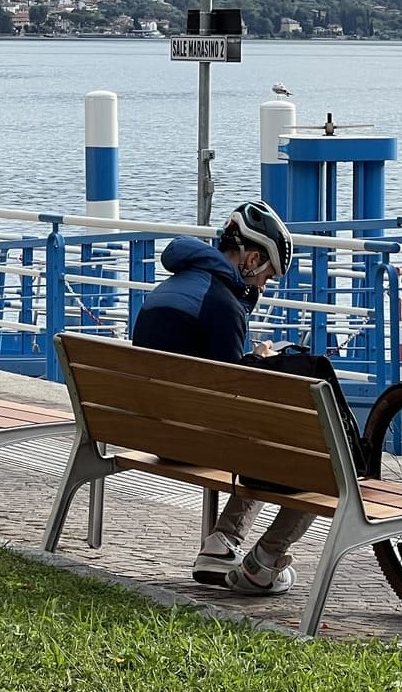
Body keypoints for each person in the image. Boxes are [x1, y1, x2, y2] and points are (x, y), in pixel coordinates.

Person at [130, 199, 314, 596]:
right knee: (319, 465)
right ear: (250, 258)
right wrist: (263, 362)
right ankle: (265, 561)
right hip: (193, 442)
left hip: (149, 432)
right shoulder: (223, 303)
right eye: (267, 274)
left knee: (270, 446)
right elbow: (233, 396)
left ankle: (221, 544)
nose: (264, 286)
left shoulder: (173, 286)